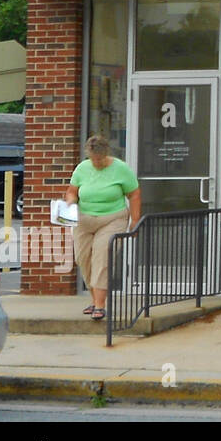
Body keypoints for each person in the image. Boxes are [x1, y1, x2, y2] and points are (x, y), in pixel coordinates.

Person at [66, 136, 141, 322]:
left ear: (105, 154)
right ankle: (93, 300)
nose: (96, 162)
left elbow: (134, 194)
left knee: (102, 257)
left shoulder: (121, 169)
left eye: (99, 159)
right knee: (82, 258)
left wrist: (135, 220)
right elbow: (72, 191)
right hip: (84, 219)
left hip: (112, 218)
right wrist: (69, 203)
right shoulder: (82, 168)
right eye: (93, 159)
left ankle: (100, 305)